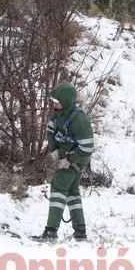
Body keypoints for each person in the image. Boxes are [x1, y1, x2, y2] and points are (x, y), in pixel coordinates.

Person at [37, 81, 95, 241]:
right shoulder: (58, 114)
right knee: (72, 192)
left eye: (57, 102)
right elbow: (50, 131)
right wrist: (54, 149)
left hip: (77, 159)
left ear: (67, 102)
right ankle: (80, 232)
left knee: (58, 186)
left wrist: (69, 160)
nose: (54, 104)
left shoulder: (80, 121)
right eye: (53, 101)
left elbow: (87, 148)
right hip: (64, 155)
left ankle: (50, 232)